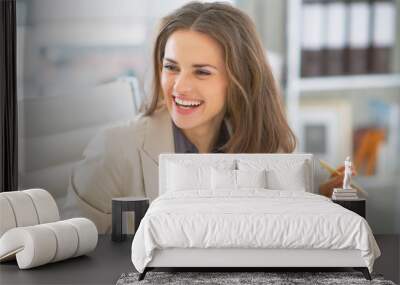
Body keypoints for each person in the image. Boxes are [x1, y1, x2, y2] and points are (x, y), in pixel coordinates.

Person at [63, 1, 351, 233]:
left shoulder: (266, 146)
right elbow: (77, 251)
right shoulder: (114, 150)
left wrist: (318, 203)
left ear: (240, 79)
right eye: (171, 67)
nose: (179, 86)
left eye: (201, 72)